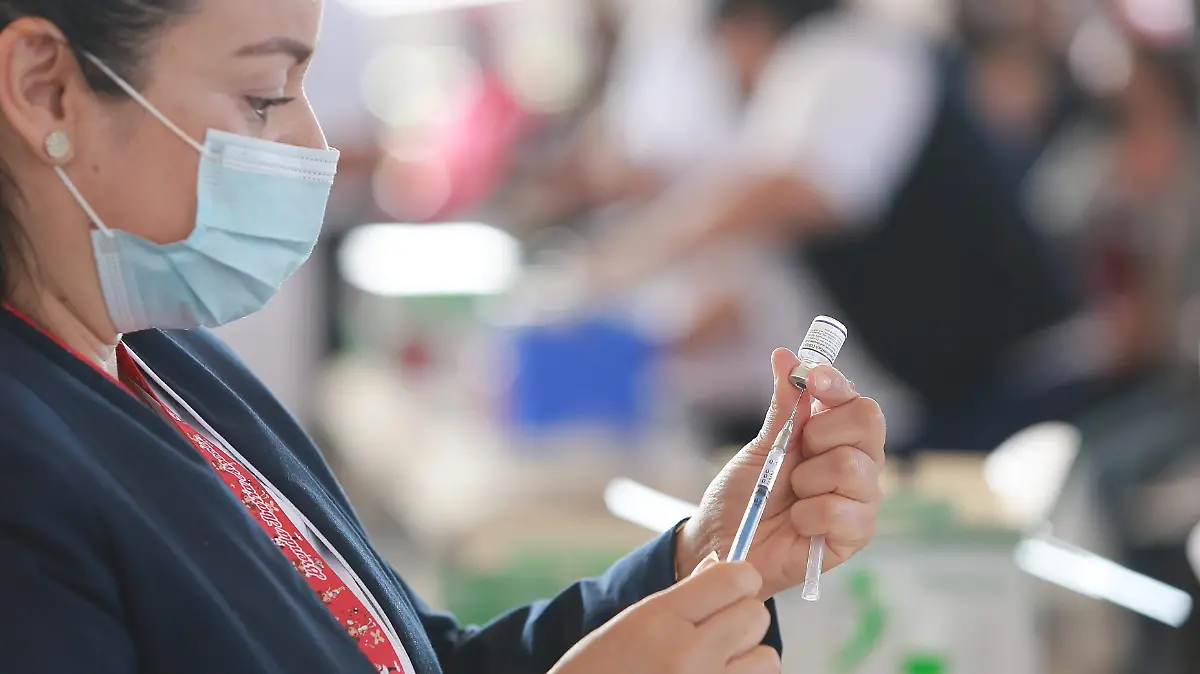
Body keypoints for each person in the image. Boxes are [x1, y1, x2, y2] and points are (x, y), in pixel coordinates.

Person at [0, 1, 886, 673]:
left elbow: (411, 658)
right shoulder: (24, 473)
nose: (312, 141)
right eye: (263, 95)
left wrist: (699, 556)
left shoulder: (167, 360)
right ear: (45, 87)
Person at [585, 0, 1078, 455]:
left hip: (1010, 383)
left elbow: (802, 190)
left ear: (748, 26)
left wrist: (627, 257)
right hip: (940, 390)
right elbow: (764, 283)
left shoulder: (852, 55)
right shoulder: (801, 90)